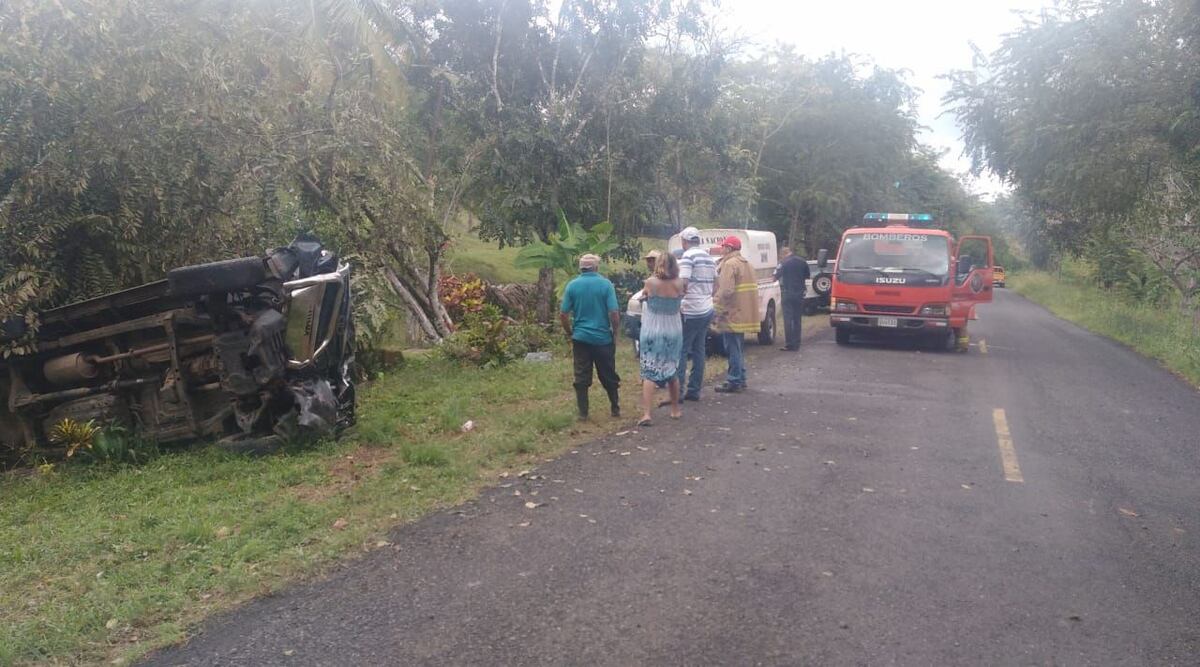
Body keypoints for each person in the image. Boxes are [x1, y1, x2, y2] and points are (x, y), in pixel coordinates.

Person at [560, 254, 621, 420]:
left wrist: (570, 333)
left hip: (580, 337)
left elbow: (563, 314)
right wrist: (615, 332)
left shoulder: (572, 285)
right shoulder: (606, 284)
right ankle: (615, 407)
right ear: (596, 267)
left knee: (581, 375)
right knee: (608, 374)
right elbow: (614, 312)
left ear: (581, 268)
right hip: (602, 338)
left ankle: (583, 413)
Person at [637, 252, 685, 426]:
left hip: (653, 328)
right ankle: (675, 409)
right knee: (672, 369)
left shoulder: (651, 282)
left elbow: (645, 295)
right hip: (673, 328)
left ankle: (647, 414)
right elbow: (680, 297)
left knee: (649, 371)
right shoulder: (680, 283)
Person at [712, 235, 759, 393]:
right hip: (743, 313)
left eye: (723, 247)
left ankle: (734, 381)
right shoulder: (747, 264)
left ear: (729, 248)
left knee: (732, 347)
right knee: (738, 347)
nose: (721, 249)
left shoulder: (729, 264)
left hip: (732, 313)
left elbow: (726, 291)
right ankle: (741, 378)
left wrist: (716, 310)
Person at [675, 226, 717, 402]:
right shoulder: (709, 257)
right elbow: (717, 283)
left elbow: (683, 282)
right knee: (699, 349)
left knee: (682, 350)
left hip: (691, 309)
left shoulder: (687, 256)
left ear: (684, 241)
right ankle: (694, 390)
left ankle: (678, 392)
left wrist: (680, 298)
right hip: (707, 308)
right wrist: (707, 296)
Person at [774, 245, 810, 351]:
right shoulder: (802, 261)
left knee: (788, 319)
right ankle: (797, 344)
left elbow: (775, 277)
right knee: (797, 319)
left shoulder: (783, 263)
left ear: (783, 254)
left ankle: (789, 343)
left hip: (787, 293)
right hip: (799, 294)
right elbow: (807, 276)